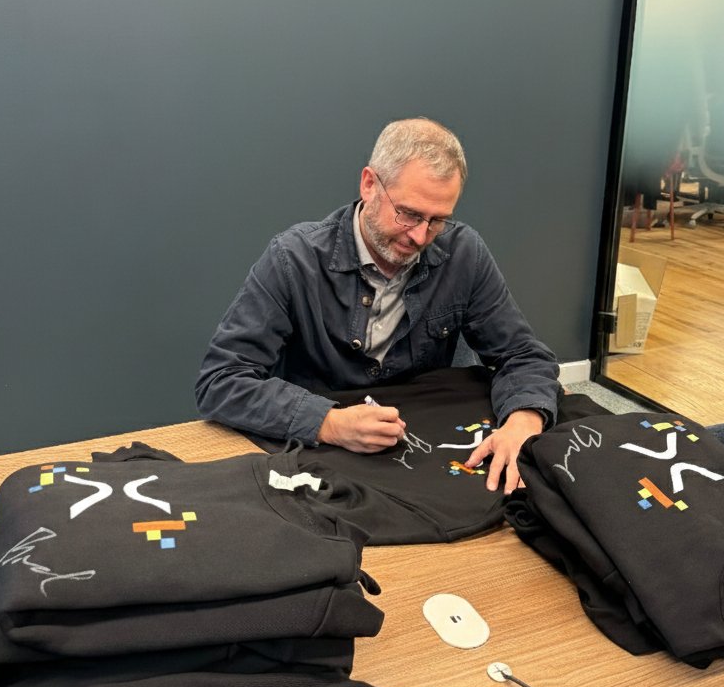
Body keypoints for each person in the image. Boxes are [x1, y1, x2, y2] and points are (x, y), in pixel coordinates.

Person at [195, 118, 559, 493]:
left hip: (421, 453)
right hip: (317, 459)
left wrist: (524, 420)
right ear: (369, 184)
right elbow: (221, 382)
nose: (421, 236)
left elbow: (523, 354)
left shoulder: (463, 254)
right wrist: (328, 423)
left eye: (437, 220)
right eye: (409, 214)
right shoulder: (293, 260)